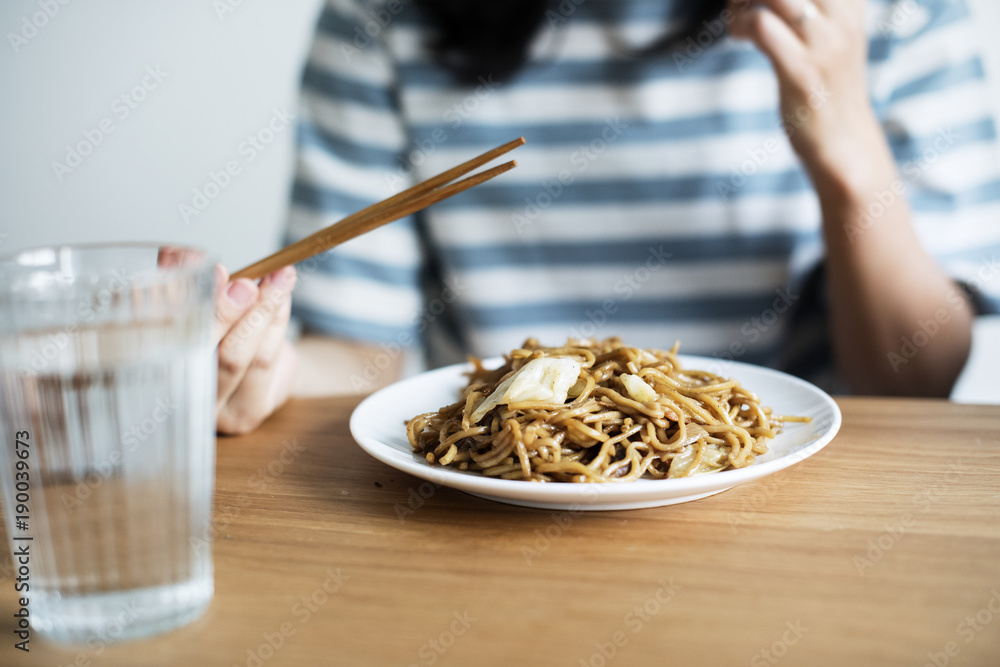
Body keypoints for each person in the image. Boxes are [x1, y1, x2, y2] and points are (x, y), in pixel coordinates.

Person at [213, 0, 1000, 433]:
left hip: (805, 505)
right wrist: (263, 370)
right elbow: (361, 354)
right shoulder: (380, 19)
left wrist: (852, 160)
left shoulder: (899, 15)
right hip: (489, 499)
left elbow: (918, 377)